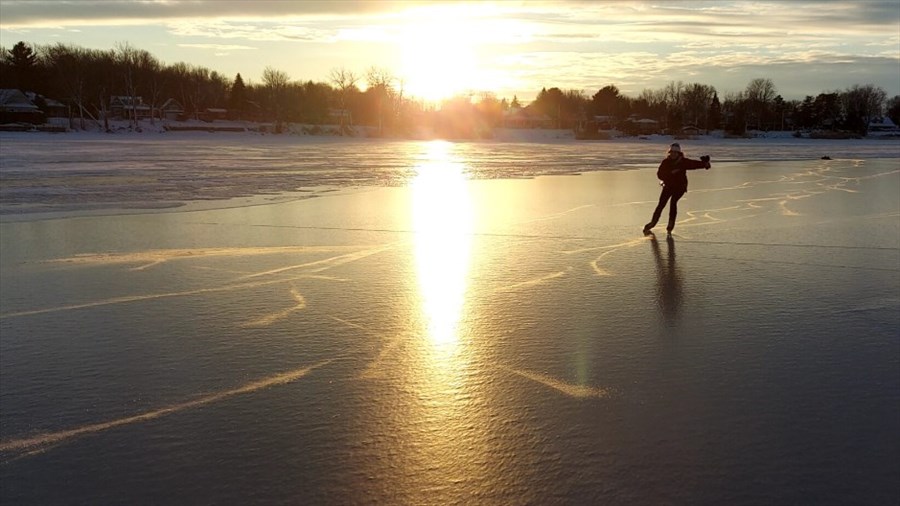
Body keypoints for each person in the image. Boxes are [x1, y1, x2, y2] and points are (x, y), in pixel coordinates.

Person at [643, 143, 711, 235]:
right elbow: (660, 175)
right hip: (668, 186)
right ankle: (653, 223)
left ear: (679, 153)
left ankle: (671, 224)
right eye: (672, 152)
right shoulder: (665, 162)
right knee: (661, 204)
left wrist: (705, 164)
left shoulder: (683, 162)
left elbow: (693, 164)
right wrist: (671, 173)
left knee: (673, 202)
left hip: (680, 187)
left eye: (676, 152)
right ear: (669, 152)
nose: (674, 154)